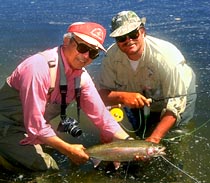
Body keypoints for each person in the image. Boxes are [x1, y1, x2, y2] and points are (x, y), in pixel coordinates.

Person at [0, 22, 130, 171]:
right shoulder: (37, 68)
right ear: (67, 41)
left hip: (31, 129)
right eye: (82, 48)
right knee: (49, 168)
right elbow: (35, 124)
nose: (86, 56)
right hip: (6, 126)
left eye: (93, 53)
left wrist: (130, 142)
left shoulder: (81, 78)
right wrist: (68, 149)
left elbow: (102, 116)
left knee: (55, 154)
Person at [98, 11, 197, 144]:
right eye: (121, 38)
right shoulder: (110, 57)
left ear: (143, 31)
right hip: (140, 94)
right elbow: (101, 95)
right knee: (139, 131)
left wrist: (153, 140)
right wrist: (122, 97)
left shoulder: (167, 57)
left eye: (133, 34)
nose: (129, 41)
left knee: (174, 136)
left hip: (179, 93)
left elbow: (175, 107)